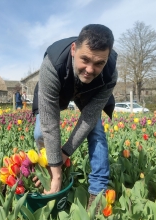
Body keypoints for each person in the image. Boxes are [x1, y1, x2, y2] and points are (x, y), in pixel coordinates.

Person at [32, 24, 118, 208]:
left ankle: (98, 191)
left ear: (107, 58)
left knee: (96, 133)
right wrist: (56, 170)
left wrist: (65, 152)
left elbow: (89, 119)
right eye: (85, 59)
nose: (89, 69)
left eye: (98, 63)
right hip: (59, 88)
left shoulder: (110, 74)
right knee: (40, 133)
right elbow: (50, 123)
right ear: (73, 49)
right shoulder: (53, 64)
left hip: (90, 93)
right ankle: (48, 171)